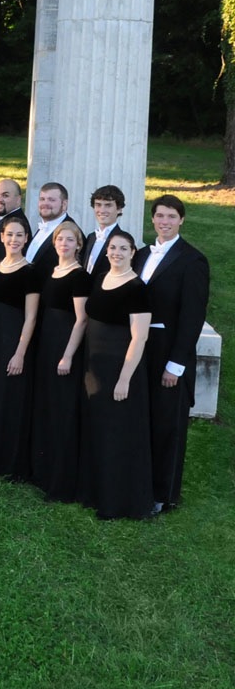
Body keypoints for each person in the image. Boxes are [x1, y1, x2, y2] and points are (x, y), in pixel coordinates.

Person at [135, 194, 210, 512]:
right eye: (159, 215)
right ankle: (137, 484)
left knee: (167, 423)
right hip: (139, 348)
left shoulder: (193, 260)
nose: (164, 221)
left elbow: (192, 317)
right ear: (152, 219)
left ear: (181, 220)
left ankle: (163, 494)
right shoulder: (139, 255)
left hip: (169, 351)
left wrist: (176, 364)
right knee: (141, 417)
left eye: (171, 216)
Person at [81, 229, 155, 520]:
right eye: (113, 247)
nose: (116, 253)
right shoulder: (99, 278)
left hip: (121, 367)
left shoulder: (138, 289)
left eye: (124, 248)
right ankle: (93, 491)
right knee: (96, 428)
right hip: (94, 365)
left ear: (133, 253)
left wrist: (124, 378)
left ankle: (117, 501)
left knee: (117, 433)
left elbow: (139, 338)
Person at [0, 218, 40, 481]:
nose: (13, 239)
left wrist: (20, 352)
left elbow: (31, 317)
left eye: (19, 235)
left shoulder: (31, 272)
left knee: (9, 400)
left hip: (14, 340)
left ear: (26, 239)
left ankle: (7, 462)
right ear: (2, 237)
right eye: (9, 234)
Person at [30, 222, 90, 502]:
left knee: (62, 411)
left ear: (78, 245)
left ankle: (61, 482)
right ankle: (42, 472)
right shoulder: (52, 271)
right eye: (59, 239)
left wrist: (67, 355)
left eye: (70, 240)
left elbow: (82, 319)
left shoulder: (80, 277)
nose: (63, 243)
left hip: (65, 345)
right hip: (46, 341)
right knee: (46, 406)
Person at [25, 182, 73, 280]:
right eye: (42, 199)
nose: (45, 204)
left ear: (64, 204)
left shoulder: (71, 232)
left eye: (51, 200)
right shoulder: (44, 226)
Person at [84, 184, 124, 278]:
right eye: (98, 205)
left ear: (119, 209)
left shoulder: (123, 240)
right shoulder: (91, 237)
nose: (102, 210)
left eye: (108, 205)